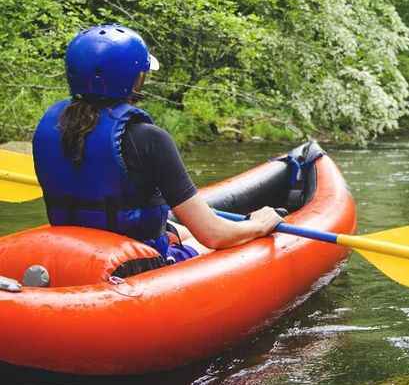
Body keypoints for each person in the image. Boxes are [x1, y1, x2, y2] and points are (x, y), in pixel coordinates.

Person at [32, 25, 282, 263]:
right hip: (136, 261)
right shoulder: (148, 139)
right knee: (201, 241)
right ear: (132, 80)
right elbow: (213, 235)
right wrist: (259, 224)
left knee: (178, 230)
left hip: (74, 251)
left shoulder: (51, 130)